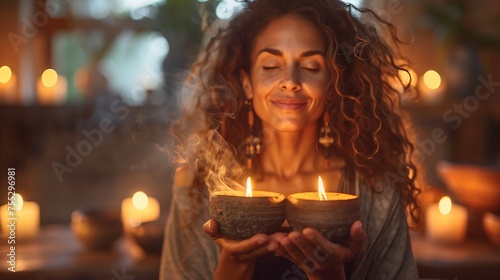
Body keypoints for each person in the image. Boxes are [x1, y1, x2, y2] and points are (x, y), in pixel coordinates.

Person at [160, 0, 421, 279]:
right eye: (271, 65)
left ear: (331, 85)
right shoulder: (200, 186)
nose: (290, 81)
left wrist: (329, 273)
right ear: (247, 84)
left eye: (310, 66)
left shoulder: (375, 189)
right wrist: (234, 262)